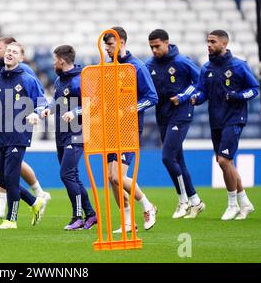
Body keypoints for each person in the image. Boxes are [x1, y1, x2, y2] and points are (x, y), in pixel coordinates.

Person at [191, 29, 258, 221]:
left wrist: (237, 96)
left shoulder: (239, 65)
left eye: (212, 42)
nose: (209, 45)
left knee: (223, 161)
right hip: (216, 120)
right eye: (208, 42)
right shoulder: (206, 68)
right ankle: (245, 202)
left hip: (235, 118)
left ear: (224, 44)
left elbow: (254, 89)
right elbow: (203, 92)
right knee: (226, 164)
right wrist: (197, 99)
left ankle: (232, 205)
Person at [0, 42, 47, 229]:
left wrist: (37, 112)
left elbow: (42, 101)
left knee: (11, 178)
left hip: (19, 133)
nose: (10, 54)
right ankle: (35, 202)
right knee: (2, 180)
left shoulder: (28, 79)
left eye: (14, 52)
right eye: (8, 51)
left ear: (21, 58)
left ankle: (11, 219)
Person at [103, 27, 158, 233]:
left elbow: (152, 97)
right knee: (111, 179)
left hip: (129, 127)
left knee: (118, 177)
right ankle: (127, 221)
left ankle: (148, 206)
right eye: (105, 45)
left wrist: (129, 108)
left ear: (121, 43)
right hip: (110, 127)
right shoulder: (108, 67)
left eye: (110, 44)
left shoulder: (137, 67)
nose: (107, 49)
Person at [146, 29, 205, 219]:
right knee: (178, 160)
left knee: (167, 157)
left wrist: (183, 96)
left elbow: (200, 81)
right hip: (163, 115)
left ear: (167, 43)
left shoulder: (181, 61)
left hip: (181, 112)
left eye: (157, 46)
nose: (154, 50)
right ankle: (196, 201)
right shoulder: (149, 65)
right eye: (151, 47)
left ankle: (183, 201)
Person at [41, 45, 97, 230]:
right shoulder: (59, 80)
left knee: (66, 174)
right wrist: (49, 107)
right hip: (62, 133)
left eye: (55, 59)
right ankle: (91, 214)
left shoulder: (81, 80)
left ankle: (77, 216)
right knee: (72, 175)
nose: (53, 63)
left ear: (62, 61)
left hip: (78, 132)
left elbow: (93, 104)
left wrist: (76, 111)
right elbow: (57, 100)